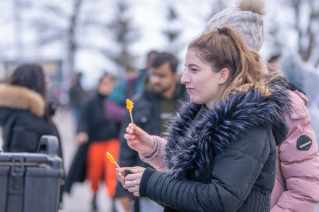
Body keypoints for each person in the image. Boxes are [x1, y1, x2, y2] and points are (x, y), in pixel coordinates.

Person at [117, 26, 291, 212]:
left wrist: (152, 183)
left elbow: (220, 200)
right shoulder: (203, 115)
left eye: (194, 69)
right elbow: (188, 191)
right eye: (185, 69)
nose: (184, 78)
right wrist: (154, 150)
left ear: (222, 75)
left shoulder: (248, 126)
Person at [205, 1, 319, 211]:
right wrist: (155, 149)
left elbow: (304, 189)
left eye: (215, 47)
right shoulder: (211, 99)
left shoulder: (284, 103)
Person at [114, 52, 188, 212]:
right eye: (152, 74)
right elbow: (127, 146)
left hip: (182, 185)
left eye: (162, 75)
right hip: (147, 184)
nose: (155, 80)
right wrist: (122, 189)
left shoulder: (190, 101)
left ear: (175, 75)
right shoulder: (137, 103)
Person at [0, 64, 65, 207]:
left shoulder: (27, 113)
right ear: (37, 83)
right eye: (45, 80)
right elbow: (23, 161)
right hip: (33, 195)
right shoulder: (28, 118)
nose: (47, 84)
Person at [65, 74, 120, 211]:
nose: (106, 86)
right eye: (104, 83)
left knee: (112, 171)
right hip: (96, 142)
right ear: (99, 85)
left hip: (112, 141)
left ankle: (112, 201)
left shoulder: (116, 102)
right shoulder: (91, 103)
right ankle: (94, 196)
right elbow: (83, 120)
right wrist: (82, 132)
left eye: (109, 83)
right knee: (94, 172)